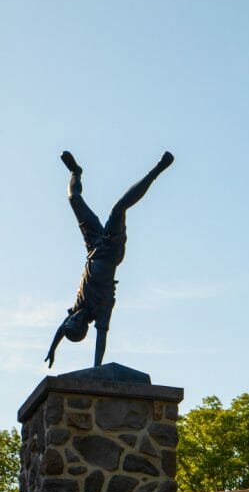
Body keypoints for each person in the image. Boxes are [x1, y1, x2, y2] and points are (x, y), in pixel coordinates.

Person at [45, 150, 174, 368]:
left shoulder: (76, 308)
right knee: (118, 209)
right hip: (112, 251)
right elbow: (101, 339)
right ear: (84, 326)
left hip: (93, 245)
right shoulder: (101, 309)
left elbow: (61, 328)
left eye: (71, 320)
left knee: (73, 198)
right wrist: (96, 368)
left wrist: (52, 348)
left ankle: (76, 172)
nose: (75, 318)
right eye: (77, 322)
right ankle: (158, 170)